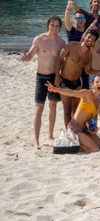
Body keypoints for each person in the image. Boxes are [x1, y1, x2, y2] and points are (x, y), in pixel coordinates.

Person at [20, 16, 66, 147]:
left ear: (60, 27)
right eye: (52, 25)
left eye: (57, 26)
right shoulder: (39, 39)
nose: (54, 28)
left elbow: (61, 62)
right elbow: (30, 55)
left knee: (53, 106)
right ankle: (36, 140)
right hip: (41, 77)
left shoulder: (62, 42)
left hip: (54, 77)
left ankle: (50, 135)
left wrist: (59, 76)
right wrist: (25, 57)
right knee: (39, 107)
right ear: (48, 25)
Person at [46, 76, 100, 153]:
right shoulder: (86, 93)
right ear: (92, 84)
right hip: (74, 128)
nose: (99, 84)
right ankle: (76, 143)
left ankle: (82, 140)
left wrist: (94, 129)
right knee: (94, 149)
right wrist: (57, 89)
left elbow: (93, 119)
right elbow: (72, 93)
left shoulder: (97, 101)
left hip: (85, 129)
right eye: (97, 82)